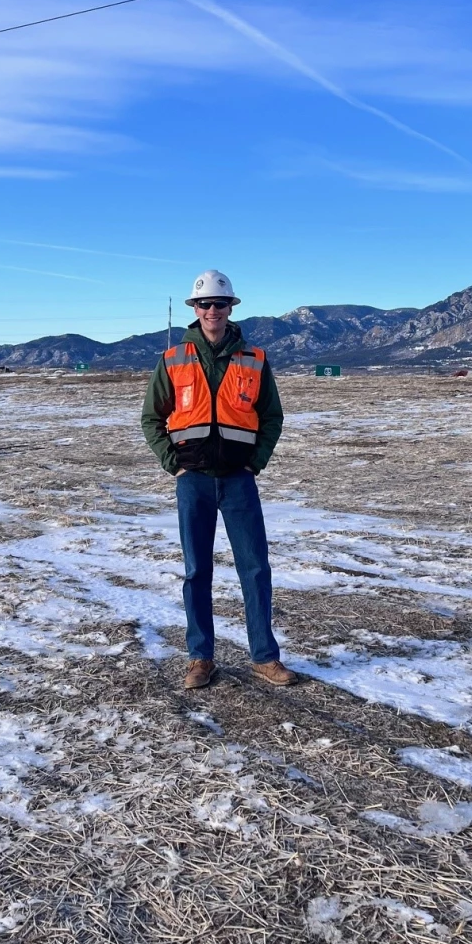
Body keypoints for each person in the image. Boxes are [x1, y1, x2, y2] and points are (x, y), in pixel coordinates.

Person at [141, 269, 298, 691]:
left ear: (231, 309)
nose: (212, 310)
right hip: (192, 480)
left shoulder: (255, 359)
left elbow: (272, 418)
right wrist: (172, 463)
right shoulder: (172, 359)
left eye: (220, 304)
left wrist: (256, 462)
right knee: (197, 571)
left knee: (255, 568)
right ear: (195, 310)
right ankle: (200, 658)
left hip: (238, 480)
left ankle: (264, 657)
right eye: (205, 304)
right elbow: (151, 418)